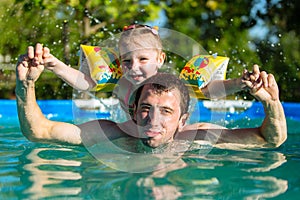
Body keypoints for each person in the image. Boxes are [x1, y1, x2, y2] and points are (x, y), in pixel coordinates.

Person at [16, 44, 287, 149]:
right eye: (128, 61)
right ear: (133, 108)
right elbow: (40, 130)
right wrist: (41, 75)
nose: (135, 67)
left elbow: (271, 140)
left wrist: (252, 90)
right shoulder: (117, 95)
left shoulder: (191, 126)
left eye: (167, 111)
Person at [39, 24, 252, 114]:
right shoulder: (120, 82)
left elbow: (205, 90)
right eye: (127, 61)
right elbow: (86, 81)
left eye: (143, 59)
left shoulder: (168, 85)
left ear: (160, 59)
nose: (134, 67)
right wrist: (55, 65)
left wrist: (238, 83)